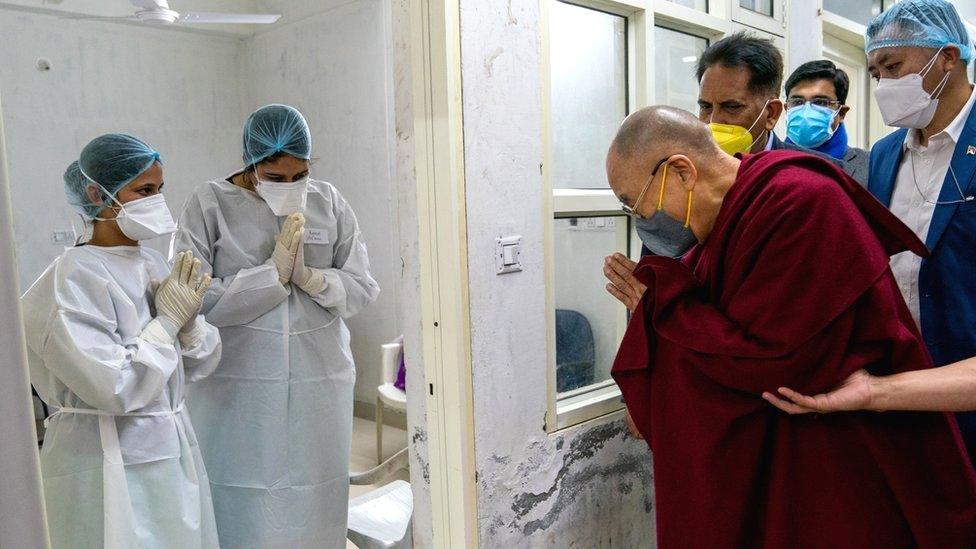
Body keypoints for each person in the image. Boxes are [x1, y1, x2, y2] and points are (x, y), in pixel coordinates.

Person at [607, 105, 976, 547]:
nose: (640, 218)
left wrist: (667, 307)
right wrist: (661, 314)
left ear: (682, 171)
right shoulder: (722, 225)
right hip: (791, 452)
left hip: (849, 457)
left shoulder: (797, 200)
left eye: (634, 201)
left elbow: (778, 362)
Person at [764, 0, 976, 457]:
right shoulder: (884, 155)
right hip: (897, 394)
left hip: (964, 387)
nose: (884, 84)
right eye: (876, 72)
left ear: (948, 57)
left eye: (894, 66)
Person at [175, 104, 380, 547]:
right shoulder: (208, 204)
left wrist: (312, 278)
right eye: (275, 177)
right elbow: (193, 299)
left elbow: (362, 287)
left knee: (317, 484)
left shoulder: (329, 202)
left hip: (318, 376)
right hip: (235, 382)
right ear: (250, 163)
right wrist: (271, 276)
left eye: (299, 176)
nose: (290, 187)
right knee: (239, 489)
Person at [21, 134, 221, 548]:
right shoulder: (71, 280)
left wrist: (189, 329)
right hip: (104, 456)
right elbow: (113, 386)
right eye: (144, 190)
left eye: (159, 189)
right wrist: (166, 325)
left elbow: (198, 366)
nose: (157, 201)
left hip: (170, 444)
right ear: (97, 193)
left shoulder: (151, 261)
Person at [784, 60, 869, 185]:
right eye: (797, 102)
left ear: (841, 113)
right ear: (786, 109)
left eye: (820, 102)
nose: (807, 112)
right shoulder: (765, 164)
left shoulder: (870, 165)